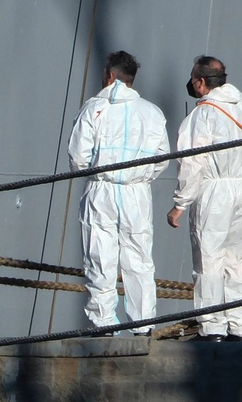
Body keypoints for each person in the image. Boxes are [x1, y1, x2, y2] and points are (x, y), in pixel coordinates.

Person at [69, 51, 169, 336]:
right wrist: (140, 177)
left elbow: (78, 158)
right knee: (139, 260)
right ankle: (143, 325)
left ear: (109, 76)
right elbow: (162, 157)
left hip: (102, 189)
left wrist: (101, 173)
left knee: (100, 257)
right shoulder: (152, 112)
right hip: (137, 193)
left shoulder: (94, 108)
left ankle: (103, 324)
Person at [167, 56, 242, 342]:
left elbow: (192, 163)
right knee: (236, 259)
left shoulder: (203, 114)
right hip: (240, 187)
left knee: (208, 259)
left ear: (200, 82)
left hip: (215, 191)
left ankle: (212, 327)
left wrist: (180, 204)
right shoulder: (239, 106)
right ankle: (238, 324)